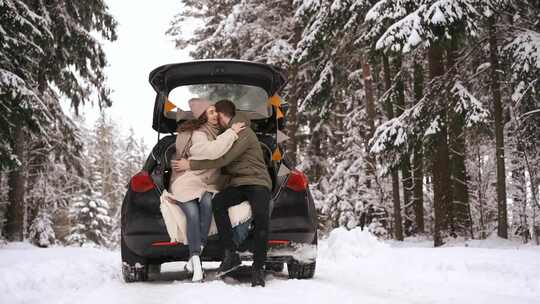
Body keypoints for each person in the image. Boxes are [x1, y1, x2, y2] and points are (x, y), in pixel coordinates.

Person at [174, 99, 272, 287]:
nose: (214, 119)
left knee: (261, 218)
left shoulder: (242, 130)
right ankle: (231, 254)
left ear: (221, 115)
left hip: (257, 182)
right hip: (238, 183)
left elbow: (222, 158)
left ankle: (258, 268)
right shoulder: (225, 133)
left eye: (215, 114)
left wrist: (191, 164)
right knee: (218, 203)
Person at [164, 97, 246, 282]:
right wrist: (231, 133)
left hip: (208, 184)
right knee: (192, 214)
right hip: (188, 182)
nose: (216, 114)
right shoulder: (199, 133)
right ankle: (196, 258)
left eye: (216, 111)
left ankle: (193, 260)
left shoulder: (219, 132)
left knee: (208, 202)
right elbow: (211, 151)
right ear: (203, 116)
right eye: (211, 112)